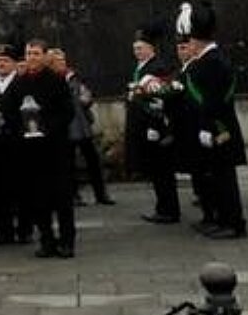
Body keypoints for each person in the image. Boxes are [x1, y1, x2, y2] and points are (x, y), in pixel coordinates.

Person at [177, 2, 247, 239]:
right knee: (217, 177)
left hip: (220, 128)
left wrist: (209, 127)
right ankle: (223, 218)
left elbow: (214, 100)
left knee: (225, 178)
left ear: (197, 42)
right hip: (215, 127)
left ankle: (233, 222)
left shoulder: (212, 62)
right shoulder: (209, 60)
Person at [14, 39, 76, 259]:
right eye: (28, 53)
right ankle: (47, 240)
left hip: (55, 148)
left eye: (36, 53)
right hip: (31, 151)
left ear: (44, 56)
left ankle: (67, 241)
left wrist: (47, 128)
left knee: (62, 199)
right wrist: (20, 131)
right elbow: (10, 111)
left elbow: (68, 112)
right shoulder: (19, 83)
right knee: (38, 199)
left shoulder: (56, 81)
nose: (32, 57)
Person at [126, 25, 181, 224]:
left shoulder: (157, 67)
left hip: (155, 127)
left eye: (140, 48)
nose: (137, 51)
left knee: (163, 171)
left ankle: (169, 210)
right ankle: (162, 206)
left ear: (151, 49)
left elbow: (159, 99)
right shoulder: (141, 67)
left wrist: (155, 126)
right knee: (156, 172)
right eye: (135, 48)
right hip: (143, 124)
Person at [55, 47, 112, 206]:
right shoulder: (53, 79)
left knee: (93, 160)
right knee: (69, 163)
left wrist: (85, 98)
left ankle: (101, 194)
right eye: (57, 61)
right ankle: (74, 195)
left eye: (62, 60)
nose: (61, 63)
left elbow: (86, 95)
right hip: (67, 126)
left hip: (82, 124)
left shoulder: (74, 77)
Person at [0, 42, 31, 245]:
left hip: (18, 144)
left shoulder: (23, 84)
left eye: (6, 61)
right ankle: (5, 230)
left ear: (15, 63)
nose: (1, 64)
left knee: (23, 188)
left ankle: (24, 229)